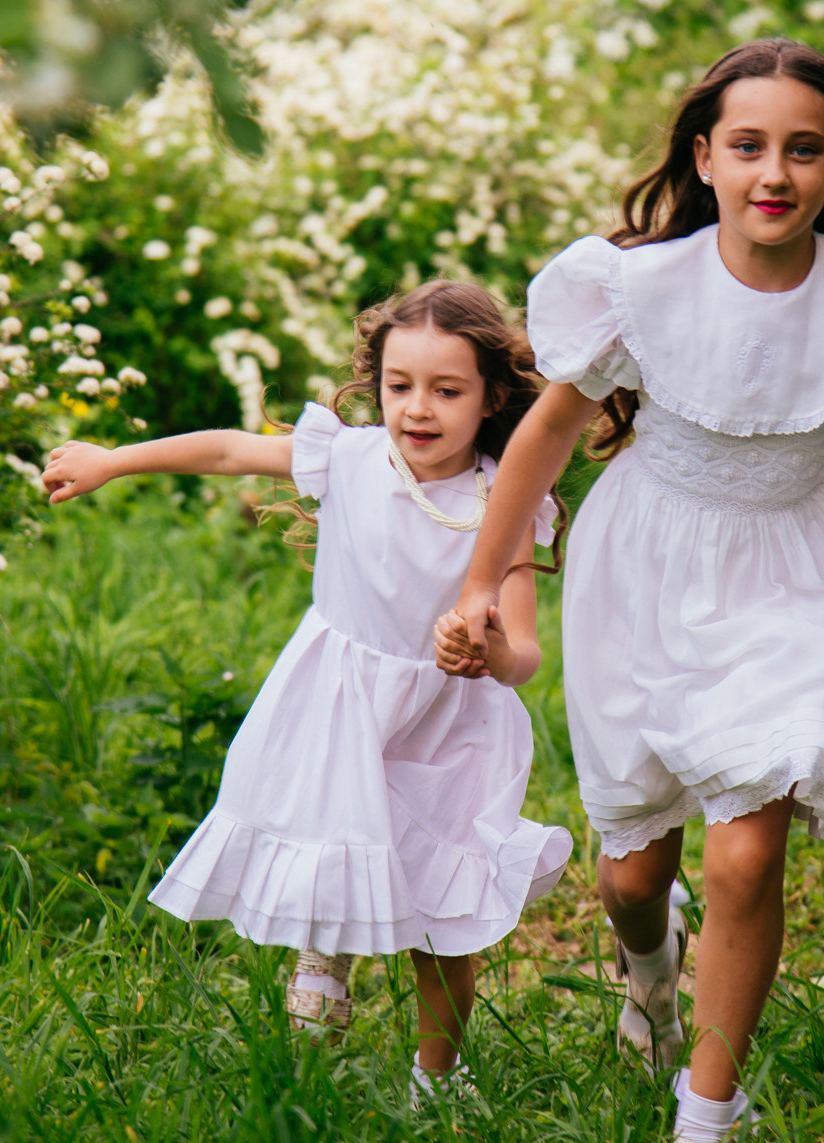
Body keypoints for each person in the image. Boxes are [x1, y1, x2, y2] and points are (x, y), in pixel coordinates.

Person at [435, 39, 824, 1140]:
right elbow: (546, 434)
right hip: (645, 571)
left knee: (746, 845)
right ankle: (649, 973)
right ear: (704, 158)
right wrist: (486, 575)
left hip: (793, 573)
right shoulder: (637, 290)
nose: (775, 173)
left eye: (803, 150)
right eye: (749, 146)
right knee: (630, 875)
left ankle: (705, 1112)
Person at [43, 281, 573, 1100]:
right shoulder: (351, 456)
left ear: (492, 396)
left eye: (447, 390)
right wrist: (113, 460)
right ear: (377, 385)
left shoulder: (502, 499)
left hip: (449, 727)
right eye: (400, 386)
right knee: (340, 835)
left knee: (445, 914)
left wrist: (492, 652)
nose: (418, 409)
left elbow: (529, 651)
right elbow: (228, 451)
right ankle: (326, 947)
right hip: (342, 706)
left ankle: (440, 1075)